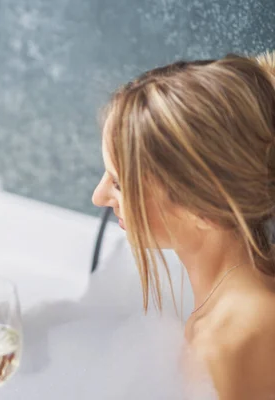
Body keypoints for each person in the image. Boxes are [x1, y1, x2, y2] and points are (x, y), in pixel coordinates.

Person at [92, 51, 275, 398]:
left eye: (119, 183)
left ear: (200, 206)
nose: (98, 197)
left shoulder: (238, 339)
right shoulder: (232, 305)